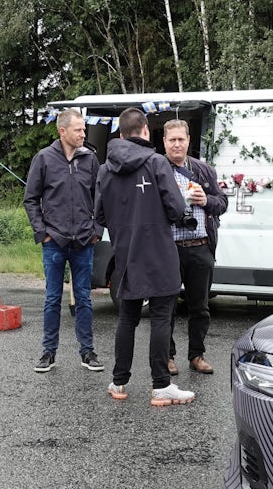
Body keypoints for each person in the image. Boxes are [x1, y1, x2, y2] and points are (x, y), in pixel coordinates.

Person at [96, 108, 194, 406]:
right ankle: (161, 386)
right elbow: (176, 209)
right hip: (159, 253)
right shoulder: (156, 163)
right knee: (162, 317)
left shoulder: (104, 169)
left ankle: (118, 381)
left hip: (125, 252)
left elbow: (99, 214)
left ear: (122, 134)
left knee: (128, 318)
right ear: (146, 132)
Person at [23, 108, 104, 374]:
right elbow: (31, 199)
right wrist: (42, 232)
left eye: (83, 129)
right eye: (78, 130)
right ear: (62, 131)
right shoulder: (44, 158)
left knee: (84, 298)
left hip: (83, 241)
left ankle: (87, 352)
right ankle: (48, 352)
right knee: (51, 299)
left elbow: (101, 198)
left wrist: (97, 230)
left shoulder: (90, 159)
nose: (83, 134)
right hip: (54, 241)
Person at [162, 119, 227, 375]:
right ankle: (167, 356)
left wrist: (207, 200)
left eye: (181, 139)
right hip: (168, 248)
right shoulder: (157, 169)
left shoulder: (204, 170)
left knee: (200, 306)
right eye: (172, 140)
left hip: (200, 247)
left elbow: (222, 203)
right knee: (165, 306)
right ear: (164, 142)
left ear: (189, 140)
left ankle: (196, 355)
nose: (177, 144)